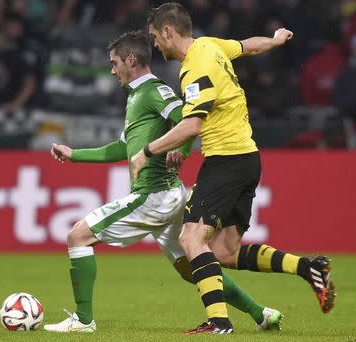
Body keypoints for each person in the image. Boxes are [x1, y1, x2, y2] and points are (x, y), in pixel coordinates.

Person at [44, 31, 283, 334]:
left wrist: (178, 151)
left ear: (131, 60)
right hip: (170, 197)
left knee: (78, 236)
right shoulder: (136, 97)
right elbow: (121, 148)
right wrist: (74, 154)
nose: (112, 70)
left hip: (153, 196)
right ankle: (260, 313)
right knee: (195, 267)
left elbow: (187, 119)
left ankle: (82, 320)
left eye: (114, 63)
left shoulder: (154, 91)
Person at [130, 2, 336, 334]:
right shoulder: (210, 45)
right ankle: (308, 267)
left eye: (155, 37)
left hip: (225, 160)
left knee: (190, 237)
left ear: (168, 31)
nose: (155, 45)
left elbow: (192, 124)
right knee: (225, 252)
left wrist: (147, 151)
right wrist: (274, 40)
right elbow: (247, 47)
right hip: (247, 158)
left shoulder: (195, 68)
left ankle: (218, 322)